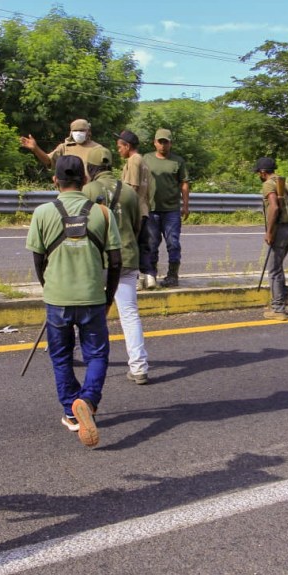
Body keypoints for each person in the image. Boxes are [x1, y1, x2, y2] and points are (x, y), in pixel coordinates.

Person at [26, 155, 122, 447]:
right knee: (97, 354)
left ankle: (71, 410)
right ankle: (88, 401)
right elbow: (116, 262)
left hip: (58, 298)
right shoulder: (103, 213)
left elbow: (38, 260)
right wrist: (108, 297)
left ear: (55, 180)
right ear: (85, 180)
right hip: (92, 297)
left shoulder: (42, 213)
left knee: (61, 356)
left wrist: (49, 288)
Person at [82, 145, 149, 385]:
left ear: (90, 168)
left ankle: (90, 357)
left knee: (87, 311)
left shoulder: (87, 190)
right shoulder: (129, 192)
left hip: (97, 261)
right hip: (126, 258)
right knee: (129, 314)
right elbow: (137, 225)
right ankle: (139, 367)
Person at [143, 128, 190, 288]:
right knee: (151, 244)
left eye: (166, 142)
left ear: (170, 143)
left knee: (173, 243)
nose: (163, 145)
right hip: (151, 209)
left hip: (171, 210)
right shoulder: (146, 159)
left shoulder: (178, 161)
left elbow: (184, 183)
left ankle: (172, 275)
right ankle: (151, 275)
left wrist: (185, 205)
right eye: (160, 141)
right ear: (155, 143)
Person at [255, 156, 288, 321]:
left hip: (280, 230)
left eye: (258, 173)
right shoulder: (285, 184)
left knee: (273, 270)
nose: (258, 175)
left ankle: (278, 309)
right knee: (278, 267)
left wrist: (270, 232)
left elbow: (273, 207)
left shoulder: (268, 184)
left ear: (263, 172)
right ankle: (284, 295)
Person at [115, 129, 155, 289]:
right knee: (143, 244)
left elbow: (132, 187)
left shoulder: (133, 161)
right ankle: (149, 276)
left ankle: (137, 278)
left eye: (120, 147)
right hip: (143, 208)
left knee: (132, 245)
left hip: (133, 211)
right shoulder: (142, 160)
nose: (118, 150)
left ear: (127, 146)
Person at [20, 118, 100, 170]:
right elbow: (48, 161)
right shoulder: (64, 148)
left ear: (88, 131)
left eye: (82, 131)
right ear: (71, 133)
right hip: (69, 189)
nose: (78, 133)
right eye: (75, 131)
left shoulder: (98, 149)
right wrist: (35, 148)